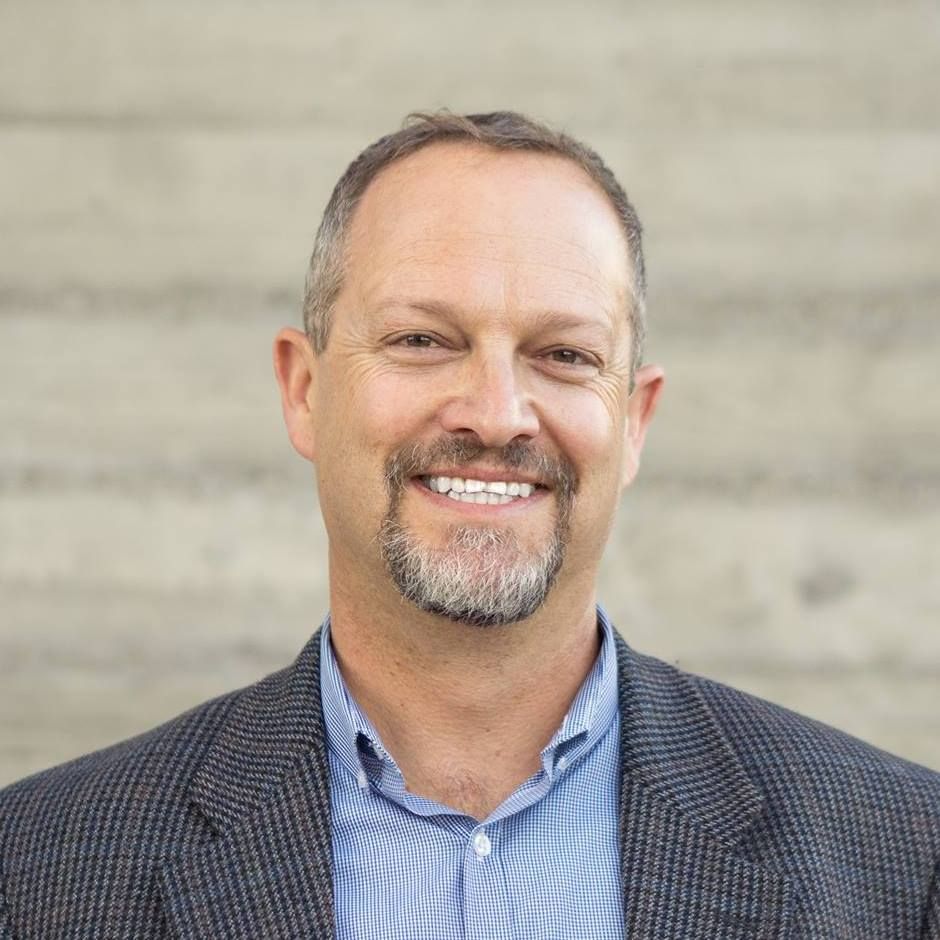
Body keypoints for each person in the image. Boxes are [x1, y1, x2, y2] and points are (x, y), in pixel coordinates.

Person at [0, 110, 937, 940]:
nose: (496, 414)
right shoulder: (37, 870)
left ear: (635, 420)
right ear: (304, 389)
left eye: (563, 354)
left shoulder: (903, 861)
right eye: (422, 340)